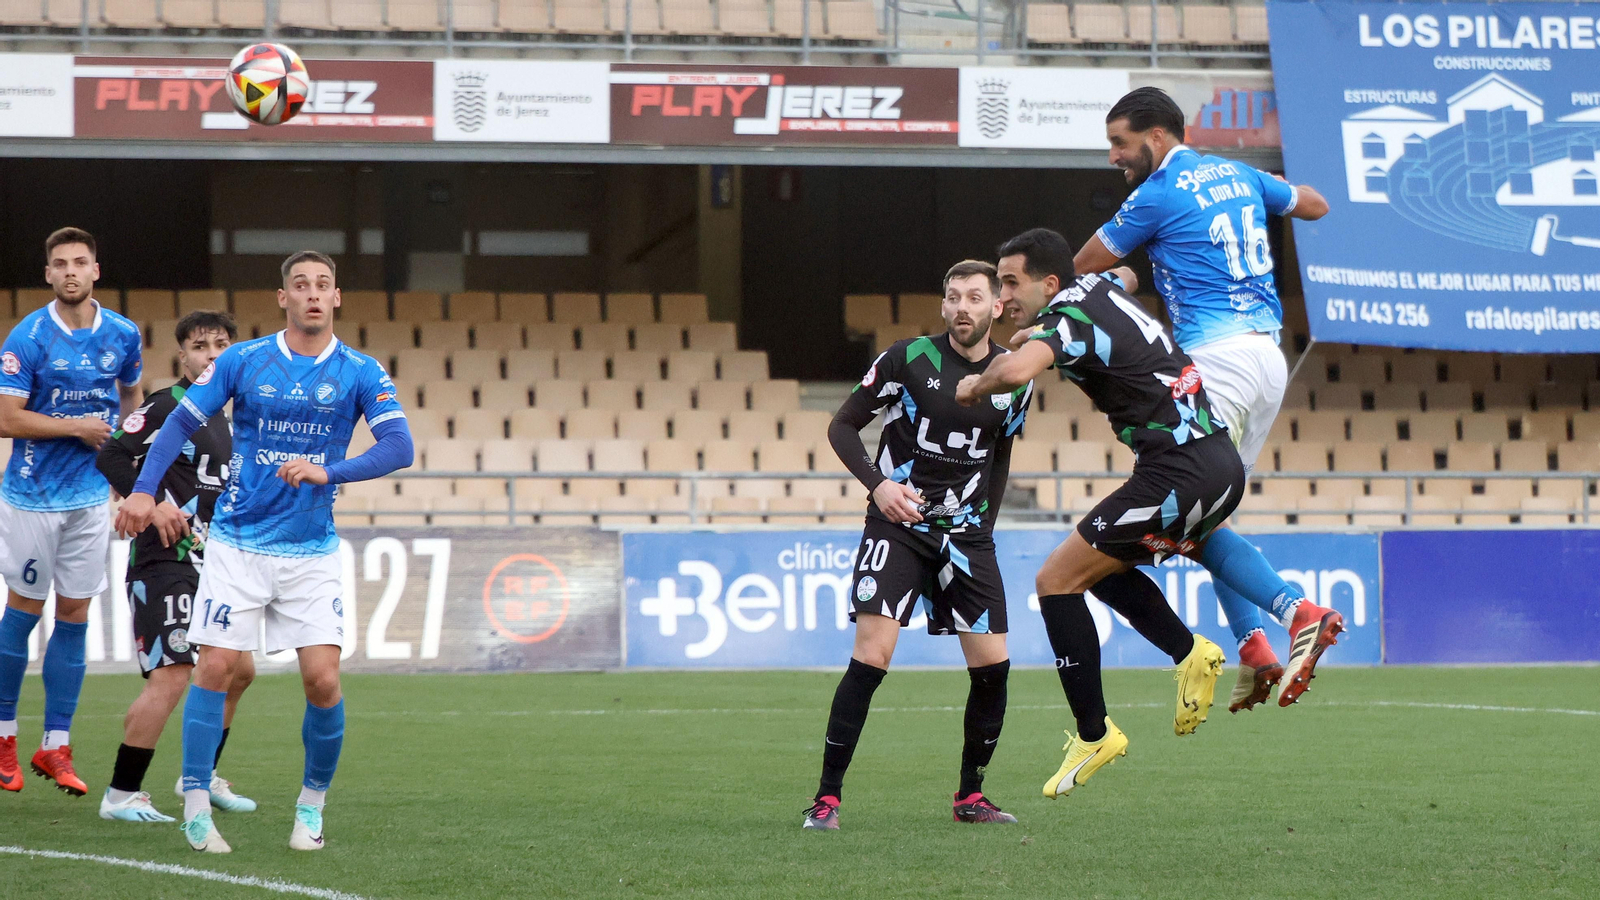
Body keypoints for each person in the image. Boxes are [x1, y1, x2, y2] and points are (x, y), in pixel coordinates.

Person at [114, 251, 414, 853]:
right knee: (217, 669)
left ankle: (311, 806)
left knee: (322, 681)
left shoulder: (360, 371)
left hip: (311, 550)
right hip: (238, 544)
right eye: (299, 285)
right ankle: (196, 802)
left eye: (322, 285)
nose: (311, 294)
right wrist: (145, 491)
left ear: (335, 299)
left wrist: (329, 471)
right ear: (282, 298)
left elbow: (399, 446)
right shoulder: (242, 361)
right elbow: (174, 424)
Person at [957, 228, 1249, 800]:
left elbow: (1016, 374)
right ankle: (1191, 653)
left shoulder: (1067, 316)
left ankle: (1096, 733)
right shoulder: (1098, 287)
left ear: (1049, 282)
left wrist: (975, 384)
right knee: (1096, 567)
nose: (1002, 295)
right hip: (1216, 461)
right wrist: (1038, 324)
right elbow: (1128, 276)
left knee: (1055, 582)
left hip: (1179, 468)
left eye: (1011, 283)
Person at [1073, 87, 1339, 711]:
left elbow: (1078, 271)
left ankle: (1297, 611)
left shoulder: (1157, 194)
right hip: (1268, 359)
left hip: (1214, 362)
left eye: (1120, 142)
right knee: (1208, 513)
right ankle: (1254, 649)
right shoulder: (1242, 175)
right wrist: (1266, 187)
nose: (1113, 155)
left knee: (1187, 513)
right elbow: (1317, 205)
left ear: (1158, 137)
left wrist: (1123, 278)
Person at [803, 261, 1033, 831]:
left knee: (994, 669)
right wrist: (879, 487)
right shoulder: (908, 359)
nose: (962, 307)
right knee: (871, 657)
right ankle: (827, 801)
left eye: (974, 298)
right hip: (898, 526)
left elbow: (1000, 455)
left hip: (966, 535)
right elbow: (841, 427)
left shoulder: (1013, 376)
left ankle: (970, 797)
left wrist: (984, 526)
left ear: (996, 307)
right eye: (953, 296)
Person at [94, 310, 256, 822]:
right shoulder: (167, 405)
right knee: (173, 673)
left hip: (217, 563)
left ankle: (201, 778)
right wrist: (153, 498)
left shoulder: (230, 420)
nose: (211, 354)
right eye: (200, 345)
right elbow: (111, 457)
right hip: (166, 561)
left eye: (220, 345)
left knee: (238, 671)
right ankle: (121, 794)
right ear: (182, 355)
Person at [0, 227, 143, 797]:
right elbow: (8, 419)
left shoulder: (124, 334)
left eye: (80, 262)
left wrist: (122, 455)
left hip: (89, 498)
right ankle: (5, 735)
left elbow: (131, 397)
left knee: (76, 615)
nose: (70, 272)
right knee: (26, 609)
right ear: (49, 275)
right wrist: (77, 428)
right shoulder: (27, 337)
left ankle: (54, 745)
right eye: (60, 264)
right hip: (32, 496)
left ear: (96, 270)